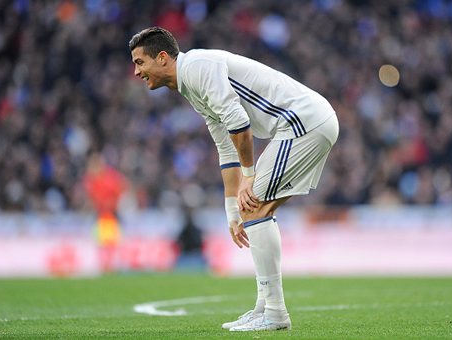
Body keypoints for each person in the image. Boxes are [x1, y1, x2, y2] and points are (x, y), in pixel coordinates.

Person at [129, 27, 339, 332]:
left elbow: (240, 124)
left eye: (139, 62)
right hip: (307, 122)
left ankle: (275, 313)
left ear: (162, 58)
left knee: (254, 206)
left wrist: (250, 178)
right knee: (254, 210)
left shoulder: (199, 68)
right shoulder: (190, 81)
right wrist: (231, 209)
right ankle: (265, 306)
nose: (136, 72)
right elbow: (226, 145)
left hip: (302, 122)